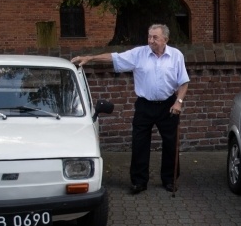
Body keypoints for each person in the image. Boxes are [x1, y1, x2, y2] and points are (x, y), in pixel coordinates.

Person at [71, 24, 189, 194]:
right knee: (139, 143)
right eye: (149, 37)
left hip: (168, 105)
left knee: (171, 144)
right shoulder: (139, 54)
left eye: (155, 37)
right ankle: (139, 181)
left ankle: (170, 179)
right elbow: (115, 57)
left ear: (165, 39)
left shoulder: (176, 56)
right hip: (144, 105)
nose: (151, 40)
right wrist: (90, 58)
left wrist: (178, 102)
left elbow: (184, 81)